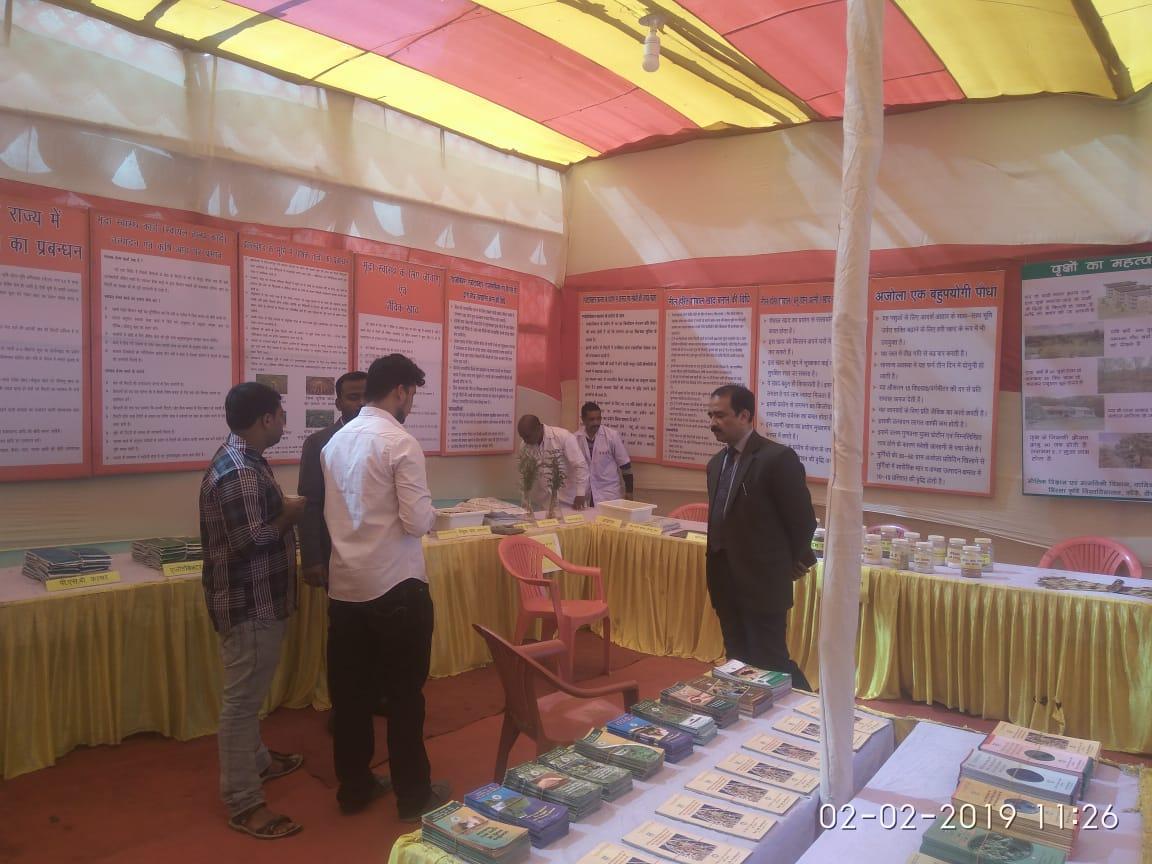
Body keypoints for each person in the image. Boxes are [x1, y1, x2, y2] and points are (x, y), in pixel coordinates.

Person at [322, 353, 448, 821]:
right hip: (397, 586)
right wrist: (433, 515)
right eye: (411, 394)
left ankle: (354, 789)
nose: (411, 403)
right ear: (400, 391)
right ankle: (413, 795)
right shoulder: (400, 442)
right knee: (403, 697)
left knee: (351, 699)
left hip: (346, 588)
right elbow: (416, 522)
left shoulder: (335, 442)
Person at [199, 381, 307, 840]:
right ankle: (243, 802)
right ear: (265, 419)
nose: (284, 421)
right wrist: (290, 515)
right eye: (281, 414)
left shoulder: (244, 459)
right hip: (250, 603)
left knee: (248, 694)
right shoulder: (241, 471)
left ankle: (258, 762)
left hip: (254, 599)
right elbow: (250, 542)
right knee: (242, 704)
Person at [704, 384, 816, 691]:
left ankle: (808, 708)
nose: (713, 423)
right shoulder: (715, 465)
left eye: (720, 415)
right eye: (710, 415)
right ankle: (750, 711)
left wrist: (791, 562)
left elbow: (803, 520)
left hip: (763, 584)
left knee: (772, 661)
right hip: (724, 582)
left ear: (744, 415)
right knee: (738, 661)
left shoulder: (777, 458)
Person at [297, 371, 367, 589]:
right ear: (339, 403)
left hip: (379, 554)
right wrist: (312, 559)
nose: (362, 403)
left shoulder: (387, 440)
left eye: (367, 397)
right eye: (353, 397)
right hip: (336, 552)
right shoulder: (319, 443)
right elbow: (310, 503)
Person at [516, 414, 589, 510]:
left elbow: (580, 465)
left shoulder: (563, 436)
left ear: (538, 428)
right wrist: (525, 499)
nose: (525, 441)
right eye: (522, 437)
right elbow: (525, 475)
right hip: (545, 502)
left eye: (527, 436)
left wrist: (580, 493)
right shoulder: (525, 445)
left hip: (570, 501)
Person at [575, 402, 633, 505]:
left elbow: (625, 465)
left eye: (598, 418)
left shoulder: (612, 436)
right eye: (592, 419)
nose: (596, 422)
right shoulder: (575, 438)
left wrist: (629, 491)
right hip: (586, 493)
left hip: (609, 493)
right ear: (583, 419)